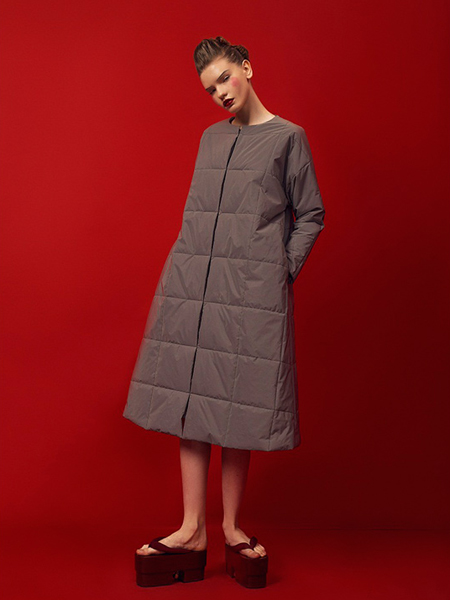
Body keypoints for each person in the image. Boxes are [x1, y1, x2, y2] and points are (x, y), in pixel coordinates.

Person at [124, 36, 326, 588]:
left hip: (251, 292)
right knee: (191, 401)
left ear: (247, 68)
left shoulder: (288, 138)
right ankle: (192, 529)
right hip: (194, 285)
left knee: (237, 403)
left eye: (224, 78)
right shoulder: (211, 139)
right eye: (210, 88)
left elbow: (310, 213)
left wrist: (279, 270)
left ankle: (232, 528)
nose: (220, 93)